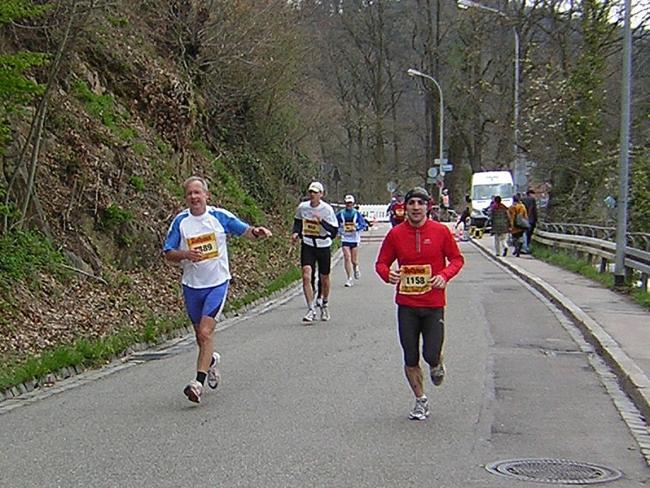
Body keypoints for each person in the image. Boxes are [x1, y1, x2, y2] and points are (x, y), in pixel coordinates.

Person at [163, 176, 272, 404]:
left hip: (217, 283)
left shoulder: (219, 217)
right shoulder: (180, 222)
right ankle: (210, 361)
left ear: (206, 195)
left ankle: (197, 384)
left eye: (197, 193)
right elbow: (168, 253)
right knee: (200, 337)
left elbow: (245, 231)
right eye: (190, 194)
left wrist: (258, 232)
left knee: (205, 333)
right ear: (186, 198)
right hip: (192, 286)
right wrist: (185, 255)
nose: (194, 197)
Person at [375, 187, 464, 421]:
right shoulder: (396, 235)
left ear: (428, 206)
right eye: (411, 203)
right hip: (407, 304)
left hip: (433, 304)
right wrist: (388, 275)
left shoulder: (440, 232)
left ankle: (437, 362)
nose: (415, 207)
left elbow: (456, 259)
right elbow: (381, 263)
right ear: (405, 207)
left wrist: (444, 275)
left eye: (420, 203)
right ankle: (420, 400)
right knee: (410, 356)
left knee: (431, 353)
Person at [291, 181, 338, 323]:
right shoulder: (303, 207)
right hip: (308, 244)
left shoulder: (327, 210)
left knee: (324, 278)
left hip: (323, 245)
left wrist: (322, 222)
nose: (312, 195)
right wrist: (296, 233)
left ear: (321, 194)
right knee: (306, 275)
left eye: (315, 192)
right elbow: (298, 222)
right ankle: (311, 309)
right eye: (311, 192)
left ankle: (324, 303)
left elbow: (334, 231)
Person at [337, 194, 366, 287]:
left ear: (353, 204)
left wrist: (356, 228)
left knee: (354, 260)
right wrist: (338, 231)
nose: (349, 205)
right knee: (347, 257)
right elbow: (334, 223)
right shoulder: (340, 213)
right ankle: (349, 278)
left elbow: (363, 224)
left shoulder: (357, 214)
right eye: (347, 203)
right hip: (345, 237)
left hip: (354, 238)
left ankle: (356, 267)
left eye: (350, 203)